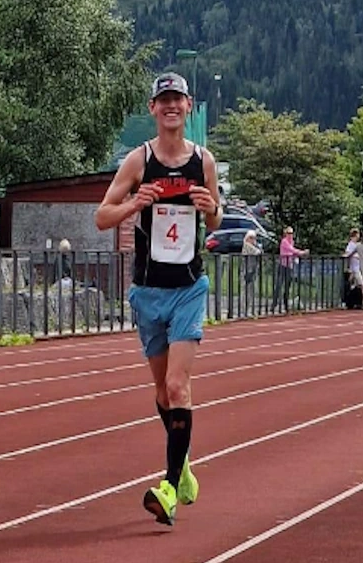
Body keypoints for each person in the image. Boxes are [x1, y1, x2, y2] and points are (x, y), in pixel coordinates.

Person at [96, 71, 221, 527]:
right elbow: (101, 217)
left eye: (178, 99)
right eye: (163, 100)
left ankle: (167, 488)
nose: (171, 106)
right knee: (161, 393)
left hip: (189, 287)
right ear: (153, 108)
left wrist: (210, 208)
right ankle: (183, 466)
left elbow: (215, 218)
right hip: (147, 291)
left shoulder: (203, 161)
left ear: (189, 107)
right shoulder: (138, 160)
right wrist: (133, 205)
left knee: (176, 386)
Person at [275, 226, 308, 313]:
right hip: (283, 266)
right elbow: (292, 250)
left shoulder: (291, 242)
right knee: (279, 285)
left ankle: (286, 306)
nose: (290, 235)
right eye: (289, 233)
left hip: (289, 266)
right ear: (285, 234)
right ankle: (273, 305)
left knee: (287, 286)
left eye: (291, 233)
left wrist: (296, 257)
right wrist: (302, 252)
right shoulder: (284, 241)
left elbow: (292, 252)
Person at [343, 227, 363, 311]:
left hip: (358, 268)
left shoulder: (357, 245)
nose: (358, 237)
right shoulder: (351, 245)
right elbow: (348, 254)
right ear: (354, 236)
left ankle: (359, 303)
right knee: (362, 285)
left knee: (358, 286)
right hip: (354, 269)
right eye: (357, 235)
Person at [241, 230, 262, 315]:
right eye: (251, 238)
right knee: (245, 291)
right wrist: (257, 246)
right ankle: (244, 310)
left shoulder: (253, 245)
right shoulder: (246, 245)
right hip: (246, 271)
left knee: (251, 291)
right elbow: (257, 252)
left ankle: (249, 309)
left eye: (254, 238)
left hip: (252, 271)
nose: (253, 240)